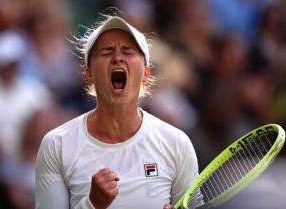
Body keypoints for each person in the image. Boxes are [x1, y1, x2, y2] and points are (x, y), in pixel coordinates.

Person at [35, 16, 199, 209]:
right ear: (89, 73)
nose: (118, 58)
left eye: (128, 51)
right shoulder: (56, 145)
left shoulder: (177, 143)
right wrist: (92, 204)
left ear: (146, 72)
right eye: (106, 52)